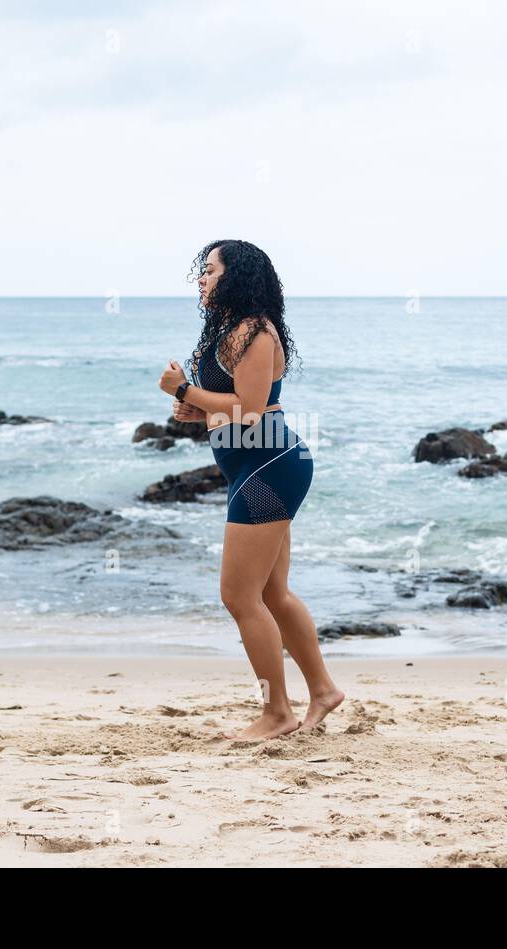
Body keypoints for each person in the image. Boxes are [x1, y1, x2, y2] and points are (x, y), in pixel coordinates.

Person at [158, 239, 344, 740]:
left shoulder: (255, 333)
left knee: (239, 596)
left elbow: (250, 410)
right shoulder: (229, 331)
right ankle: (323, 690)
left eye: (210, 270)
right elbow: (230, 405)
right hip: (254, 465)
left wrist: (181, 390)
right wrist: (195, 409)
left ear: (236, 276)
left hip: (269, 465)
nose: (202, 278)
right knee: (272, 593)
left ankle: (276, 712)